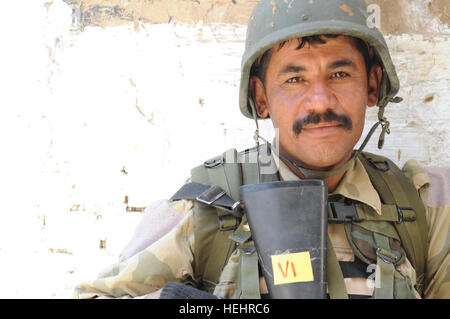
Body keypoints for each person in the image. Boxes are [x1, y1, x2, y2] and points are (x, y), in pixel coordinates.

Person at [74, 0, 449, 299]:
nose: (320, 101)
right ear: (261, 97)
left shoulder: (425, 206)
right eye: (294, 78)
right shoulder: (208, 208)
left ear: (372, 84)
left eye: (339, 74)